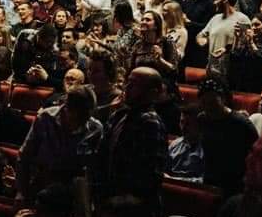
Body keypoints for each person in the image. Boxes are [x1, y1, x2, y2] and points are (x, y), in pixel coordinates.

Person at [16, 84, 103, 203]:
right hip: (42, 183)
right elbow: (24, 156)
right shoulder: (45, 118)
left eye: (84, 119)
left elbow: (94, 168)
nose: (78, 124)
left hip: (72, 192)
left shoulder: (95, 129)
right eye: (75, 119)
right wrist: (21, 191)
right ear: (66, 107)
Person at [97, 67, 167, 207]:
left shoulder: (150, 123)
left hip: (132, 207)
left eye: (135, 85)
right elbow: (103, 153)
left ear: (152, 93)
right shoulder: (119, 114)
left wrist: (122, 200)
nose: (127, 88)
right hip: (109, 196)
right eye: (128, 82)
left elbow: (150, 174)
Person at [196, 77, 258, 196]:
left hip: (235, 184)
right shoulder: (202, 119)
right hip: (209, 180)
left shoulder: (241, 124)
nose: (208, 107)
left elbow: (255, 156)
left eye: (213, 103)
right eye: (204, 103)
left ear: (223, 99)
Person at [196, 0, 251, 78]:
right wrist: (201, 40)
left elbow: (245, 45)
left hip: (231, 71)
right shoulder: (215, 18)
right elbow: (200, 35)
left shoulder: (242, 19)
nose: (214, 2)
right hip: (212, 68)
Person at [227, 12, 262, 93]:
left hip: (261, 85)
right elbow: (235, 57)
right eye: (252, 25)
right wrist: (237, 38)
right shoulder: (250, 41)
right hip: (244, 84)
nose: (253, 28)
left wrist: (251, 43)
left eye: (257, 25)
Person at [166, 102, 205, 181]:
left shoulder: (207, 148)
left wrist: (173, 179)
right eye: (182, 122)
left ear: (199, 125)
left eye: (188, 123)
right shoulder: (174, 144)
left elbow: (204, 180)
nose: (183, 127)